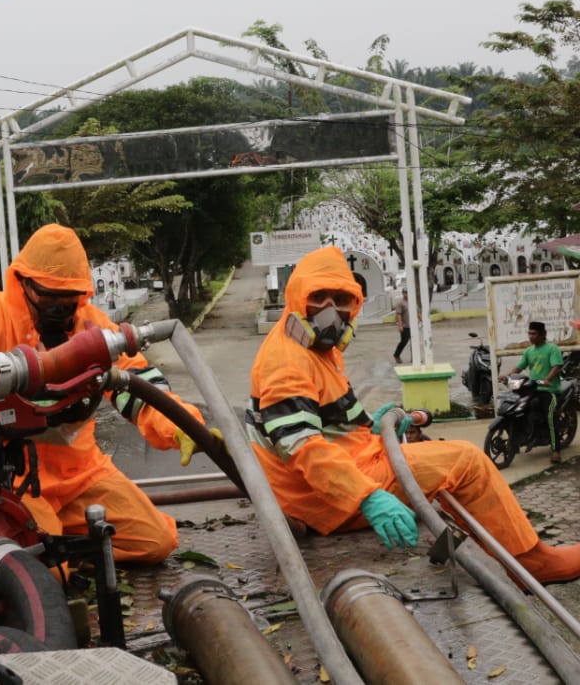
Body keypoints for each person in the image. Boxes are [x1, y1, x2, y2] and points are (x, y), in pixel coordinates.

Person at [0, 223, 214, 564]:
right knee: (47, 575)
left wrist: (181, 425)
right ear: (22, 284)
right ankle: (51, 550)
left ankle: (62, 541)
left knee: (157, 542)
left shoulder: (94, 330)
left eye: (68, 300)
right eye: (48, 297)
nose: (57, 309)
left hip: (83, 475)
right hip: (13, 482)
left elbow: (138, 382)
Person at [247, 245, 580, 584]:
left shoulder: (318, 351)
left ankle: (500, 549)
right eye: (319, 297)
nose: (330, 311)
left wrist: (371, 425)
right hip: (323, 496)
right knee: (466, 462)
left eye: (341, 299)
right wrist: (367, 496)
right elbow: (303, 446)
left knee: (437, 458)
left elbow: (331, 417)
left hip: (338, 474)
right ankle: (531, 562)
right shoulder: (287, 360)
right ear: (296, 297)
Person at [503, 320, 565, 464]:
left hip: (549, 390)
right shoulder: (529, 351)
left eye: (534, 334)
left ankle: (556, 450)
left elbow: (557, 366)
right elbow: (519, 367)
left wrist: (548, 379)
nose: (531, 336)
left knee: (550, 417)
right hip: (532, 389)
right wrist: (507, 376)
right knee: (516, 410)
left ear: (543, 335)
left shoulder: (551, 348)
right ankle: (520, 440)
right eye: (529, 333)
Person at [392, 289, 411, 364]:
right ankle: (396, 355)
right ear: (403, 293)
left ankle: (415, 357)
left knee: (414, 342)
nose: (407, 294)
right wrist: (400, 325)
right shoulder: (400, 303)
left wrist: (422, 320)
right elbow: (398, 315)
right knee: (404, 341)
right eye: (405, 293)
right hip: (405, 326)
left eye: (408, 292)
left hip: (413, 326)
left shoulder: (412, 302)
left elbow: (417, 311)